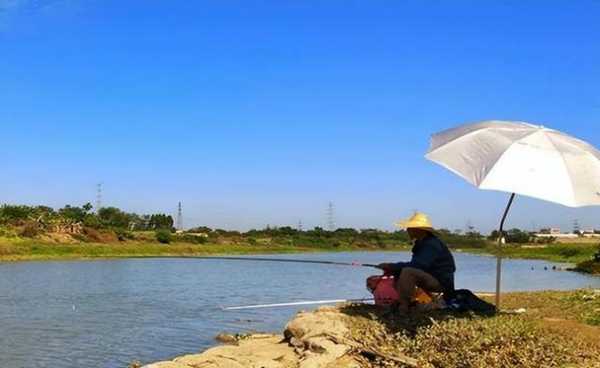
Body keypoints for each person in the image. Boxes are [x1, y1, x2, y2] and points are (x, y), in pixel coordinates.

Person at [377, 212, 456, 313]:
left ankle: (404, 306)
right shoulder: (421, 243)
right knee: (400, 271)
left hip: (442, 282)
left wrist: (391, 266)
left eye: (410, 228)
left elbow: (418, 266)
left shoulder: (431, 244)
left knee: (407, 272)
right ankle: (403, 300)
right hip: (431, 277)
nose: (407, 230)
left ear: (418, 230)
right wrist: (393, 268)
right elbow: (416, 265)